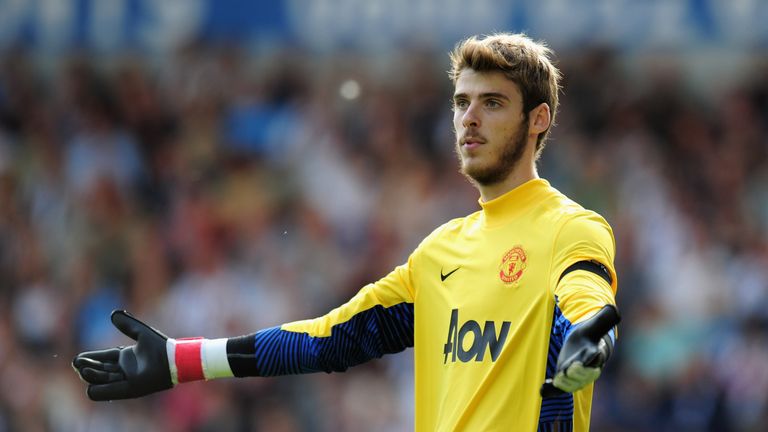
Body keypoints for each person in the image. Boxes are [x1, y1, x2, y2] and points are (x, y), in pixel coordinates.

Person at [73, 33, 619, 432]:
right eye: (461, 103)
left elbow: (586, 296)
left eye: (492, 103)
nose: (469, 119)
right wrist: (181, 361)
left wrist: (591, 336)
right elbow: (332, 338)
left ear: (539, 119)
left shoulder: (571, 227)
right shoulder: (439, 254)